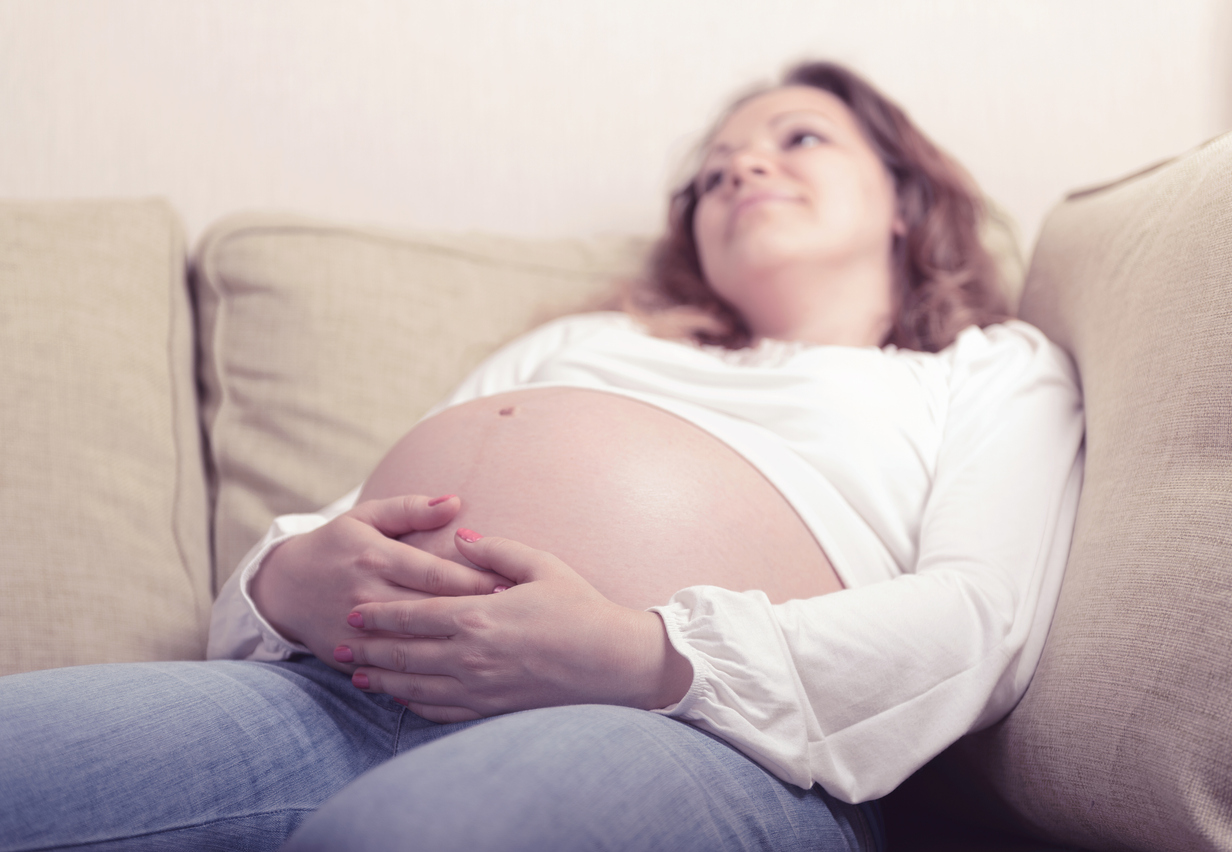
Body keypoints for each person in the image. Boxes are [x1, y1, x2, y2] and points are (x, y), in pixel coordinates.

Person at [0, 61, 1083, 852]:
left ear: (900, 197)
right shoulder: (582, 343)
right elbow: (355, 515)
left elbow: (978, 618)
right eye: (709, 173)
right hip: (357, 692)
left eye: (796, 138)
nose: (741, 165)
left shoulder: (981, 368)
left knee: (411, 837)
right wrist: (289, 583)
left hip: (707, 743)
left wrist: (640, 655)